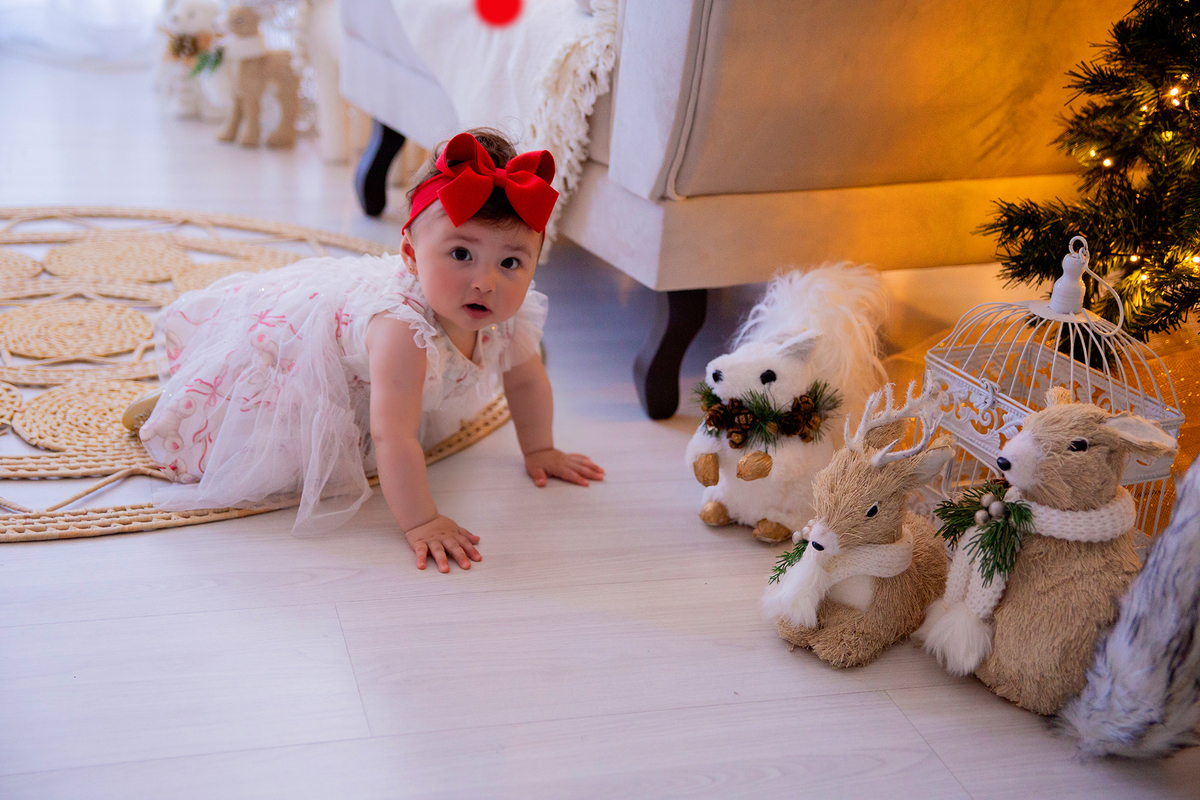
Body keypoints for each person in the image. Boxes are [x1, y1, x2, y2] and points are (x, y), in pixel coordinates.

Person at [127, 128, 604, 572]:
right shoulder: (401, 330)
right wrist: (421, 520)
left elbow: (525, 378)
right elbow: (393, 436)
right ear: (412, 255)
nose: (485, 281)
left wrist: (540, 447)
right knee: (271, 437)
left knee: (395, 401)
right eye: (461, 254)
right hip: (300, 362)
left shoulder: (505, 316)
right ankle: (190, 402)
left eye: (511, 262)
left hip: (382, 380)